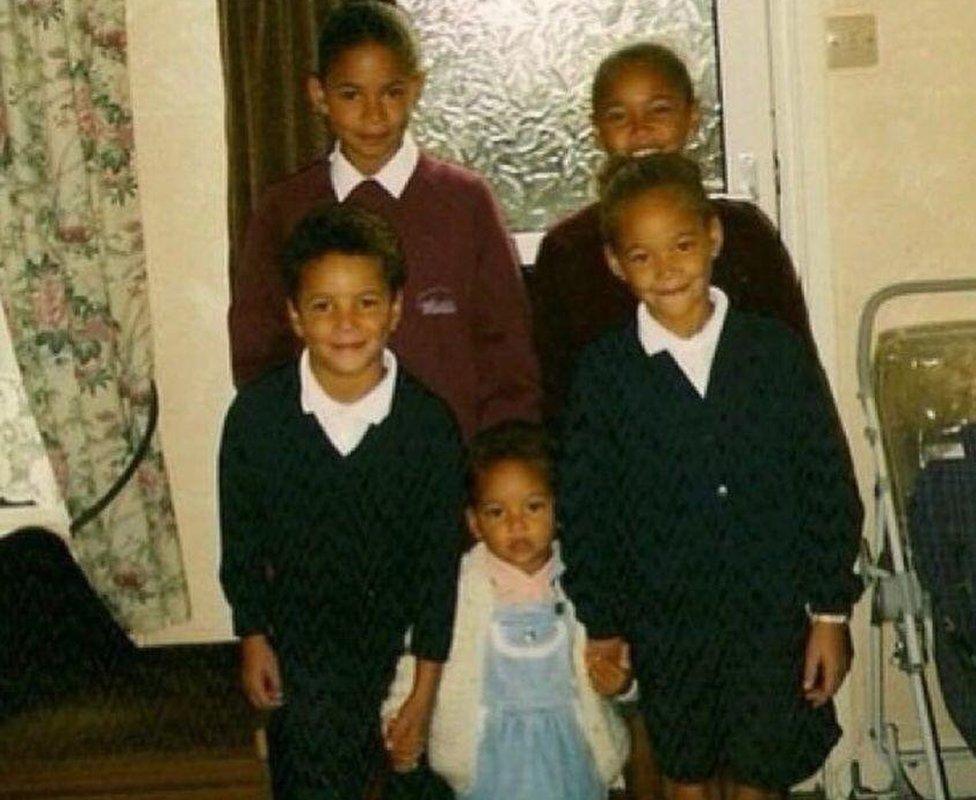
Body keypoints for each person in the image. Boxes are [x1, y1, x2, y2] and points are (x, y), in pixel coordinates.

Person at [560, 153, 864, 800]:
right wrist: (604, 621)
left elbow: (824, 480)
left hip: (770, 620)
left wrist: (831, 611)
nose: (666, 269)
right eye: (641, 256)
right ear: (615, 263)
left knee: (763, 770)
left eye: (682, 246)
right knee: (684, 772)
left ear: (714, 239)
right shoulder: (604, 376)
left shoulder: (772, 353)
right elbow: (588, 512)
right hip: (666, 626)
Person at [219, 205, 463, 798]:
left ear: (396, 308)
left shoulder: (427, 426)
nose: (346, 323)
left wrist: (424, 691)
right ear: (294, 316)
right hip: (306, 647)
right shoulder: (258, 417)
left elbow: (437, 570)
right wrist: (252, 634)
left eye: (366, 302)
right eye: (323, 305)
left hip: (406, 646)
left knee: (417, 778)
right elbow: (242, 542)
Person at [228, 0, 540, 439]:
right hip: (326, 466)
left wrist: (496, 458)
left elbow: (507, 352)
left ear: (415, 89)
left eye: (391, 93)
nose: (373, 115)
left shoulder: (466, 202)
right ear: (318, 95)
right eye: (351, 94)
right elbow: (257, 352)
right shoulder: (285, 208)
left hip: (451, 468)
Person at [529, 42, 814, 422]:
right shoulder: (569, 251)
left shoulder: (744, 233)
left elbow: (801, 371)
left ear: (691, 117)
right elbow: (558, 394)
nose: (640, 130)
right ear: (597, 130)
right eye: (618, 116)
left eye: (659, 110)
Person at [383, 420, 631, 800]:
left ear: (558, 509)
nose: (517, 524)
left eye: (533, 507)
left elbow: (624, 659)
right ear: (474, 523)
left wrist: (623, 684)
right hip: (489, 766)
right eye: (497, 512)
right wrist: (400, 718)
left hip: (571, 761)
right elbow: (419, 658)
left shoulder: (586, 581)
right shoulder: (457, 589)